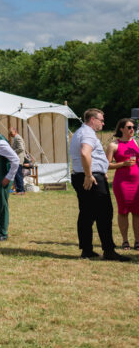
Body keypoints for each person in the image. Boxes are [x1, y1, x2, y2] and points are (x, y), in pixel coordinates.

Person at [70, 108, 129, 261]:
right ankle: (109, 251)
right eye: (101, 120)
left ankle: (87, 250)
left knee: (87, 214)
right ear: (92, 120)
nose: (103, 123)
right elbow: (85, 153)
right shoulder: (88, 133)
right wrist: (90, 175)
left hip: (82, 175)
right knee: (104, 213)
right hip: (90, 178)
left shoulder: (80, 132)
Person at [109, 118, 139, 249]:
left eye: (134, 127)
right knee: (123, 211)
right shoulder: (113, 145)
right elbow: (107, 165)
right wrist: (123, 164)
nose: (132, 129)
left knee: (137, 212)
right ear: (121, 129)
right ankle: (125, 240)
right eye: (129, 127)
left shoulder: (136, 142)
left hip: (137, 181)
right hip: (122, 182)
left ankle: (138, 241)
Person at [9, 127, 28, 194]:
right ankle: (19, 189)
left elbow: (21, 148)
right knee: (17, 174)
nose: (10, 134)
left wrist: (12, 152)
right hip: (17, 159)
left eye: (11, 133)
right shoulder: (15, 138)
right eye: (10, 133)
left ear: (15, 131)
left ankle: (21, 190)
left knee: (18, 175)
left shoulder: (18, 138)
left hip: (19, 158)